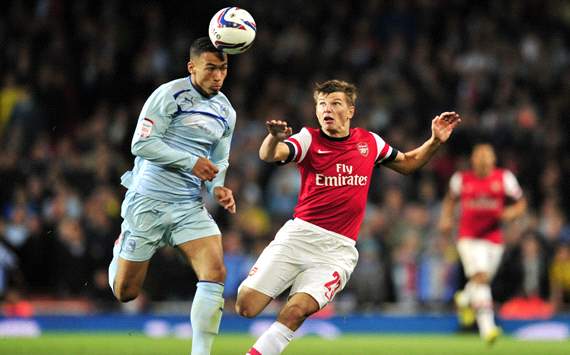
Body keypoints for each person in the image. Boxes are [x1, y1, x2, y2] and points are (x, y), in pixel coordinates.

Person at [235, 79, 461, 355]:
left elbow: (408, 163)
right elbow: (270, 154)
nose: (326, 109)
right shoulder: (308, 139)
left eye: (335, 103)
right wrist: (273, 138)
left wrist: (435, 141)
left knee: (297, 310)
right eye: (321, 104)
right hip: (299, 236)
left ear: (350, 110)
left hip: (337, 250)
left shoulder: (369, 142)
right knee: (245, 306)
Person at [107, 37, 236, 355]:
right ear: (192, 67)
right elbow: (141, 145)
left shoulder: (225, 111)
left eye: (223, 69)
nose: (218, 76)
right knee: (126, 293)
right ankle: (122, 245)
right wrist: (192, 162)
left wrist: (217, 186)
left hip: (188, 206)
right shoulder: (169, 95)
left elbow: (219, 160)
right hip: (148, 201)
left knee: (215, 271)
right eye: (210, 68)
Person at [438, 143, 527, 344]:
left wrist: (511, 213)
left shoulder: (504, 178)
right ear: (473, 160)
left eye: (487, 156)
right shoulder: (460, 179)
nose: (483, 159)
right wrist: (445, 218)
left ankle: (466, 297)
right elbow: (450, 200)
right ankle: (488, 329)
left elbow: (521, 203)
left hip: (494, 240)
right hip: (468, 238)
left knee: (480, 282)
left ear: (493, 160)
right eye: (479, 156)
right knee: (481, 276)